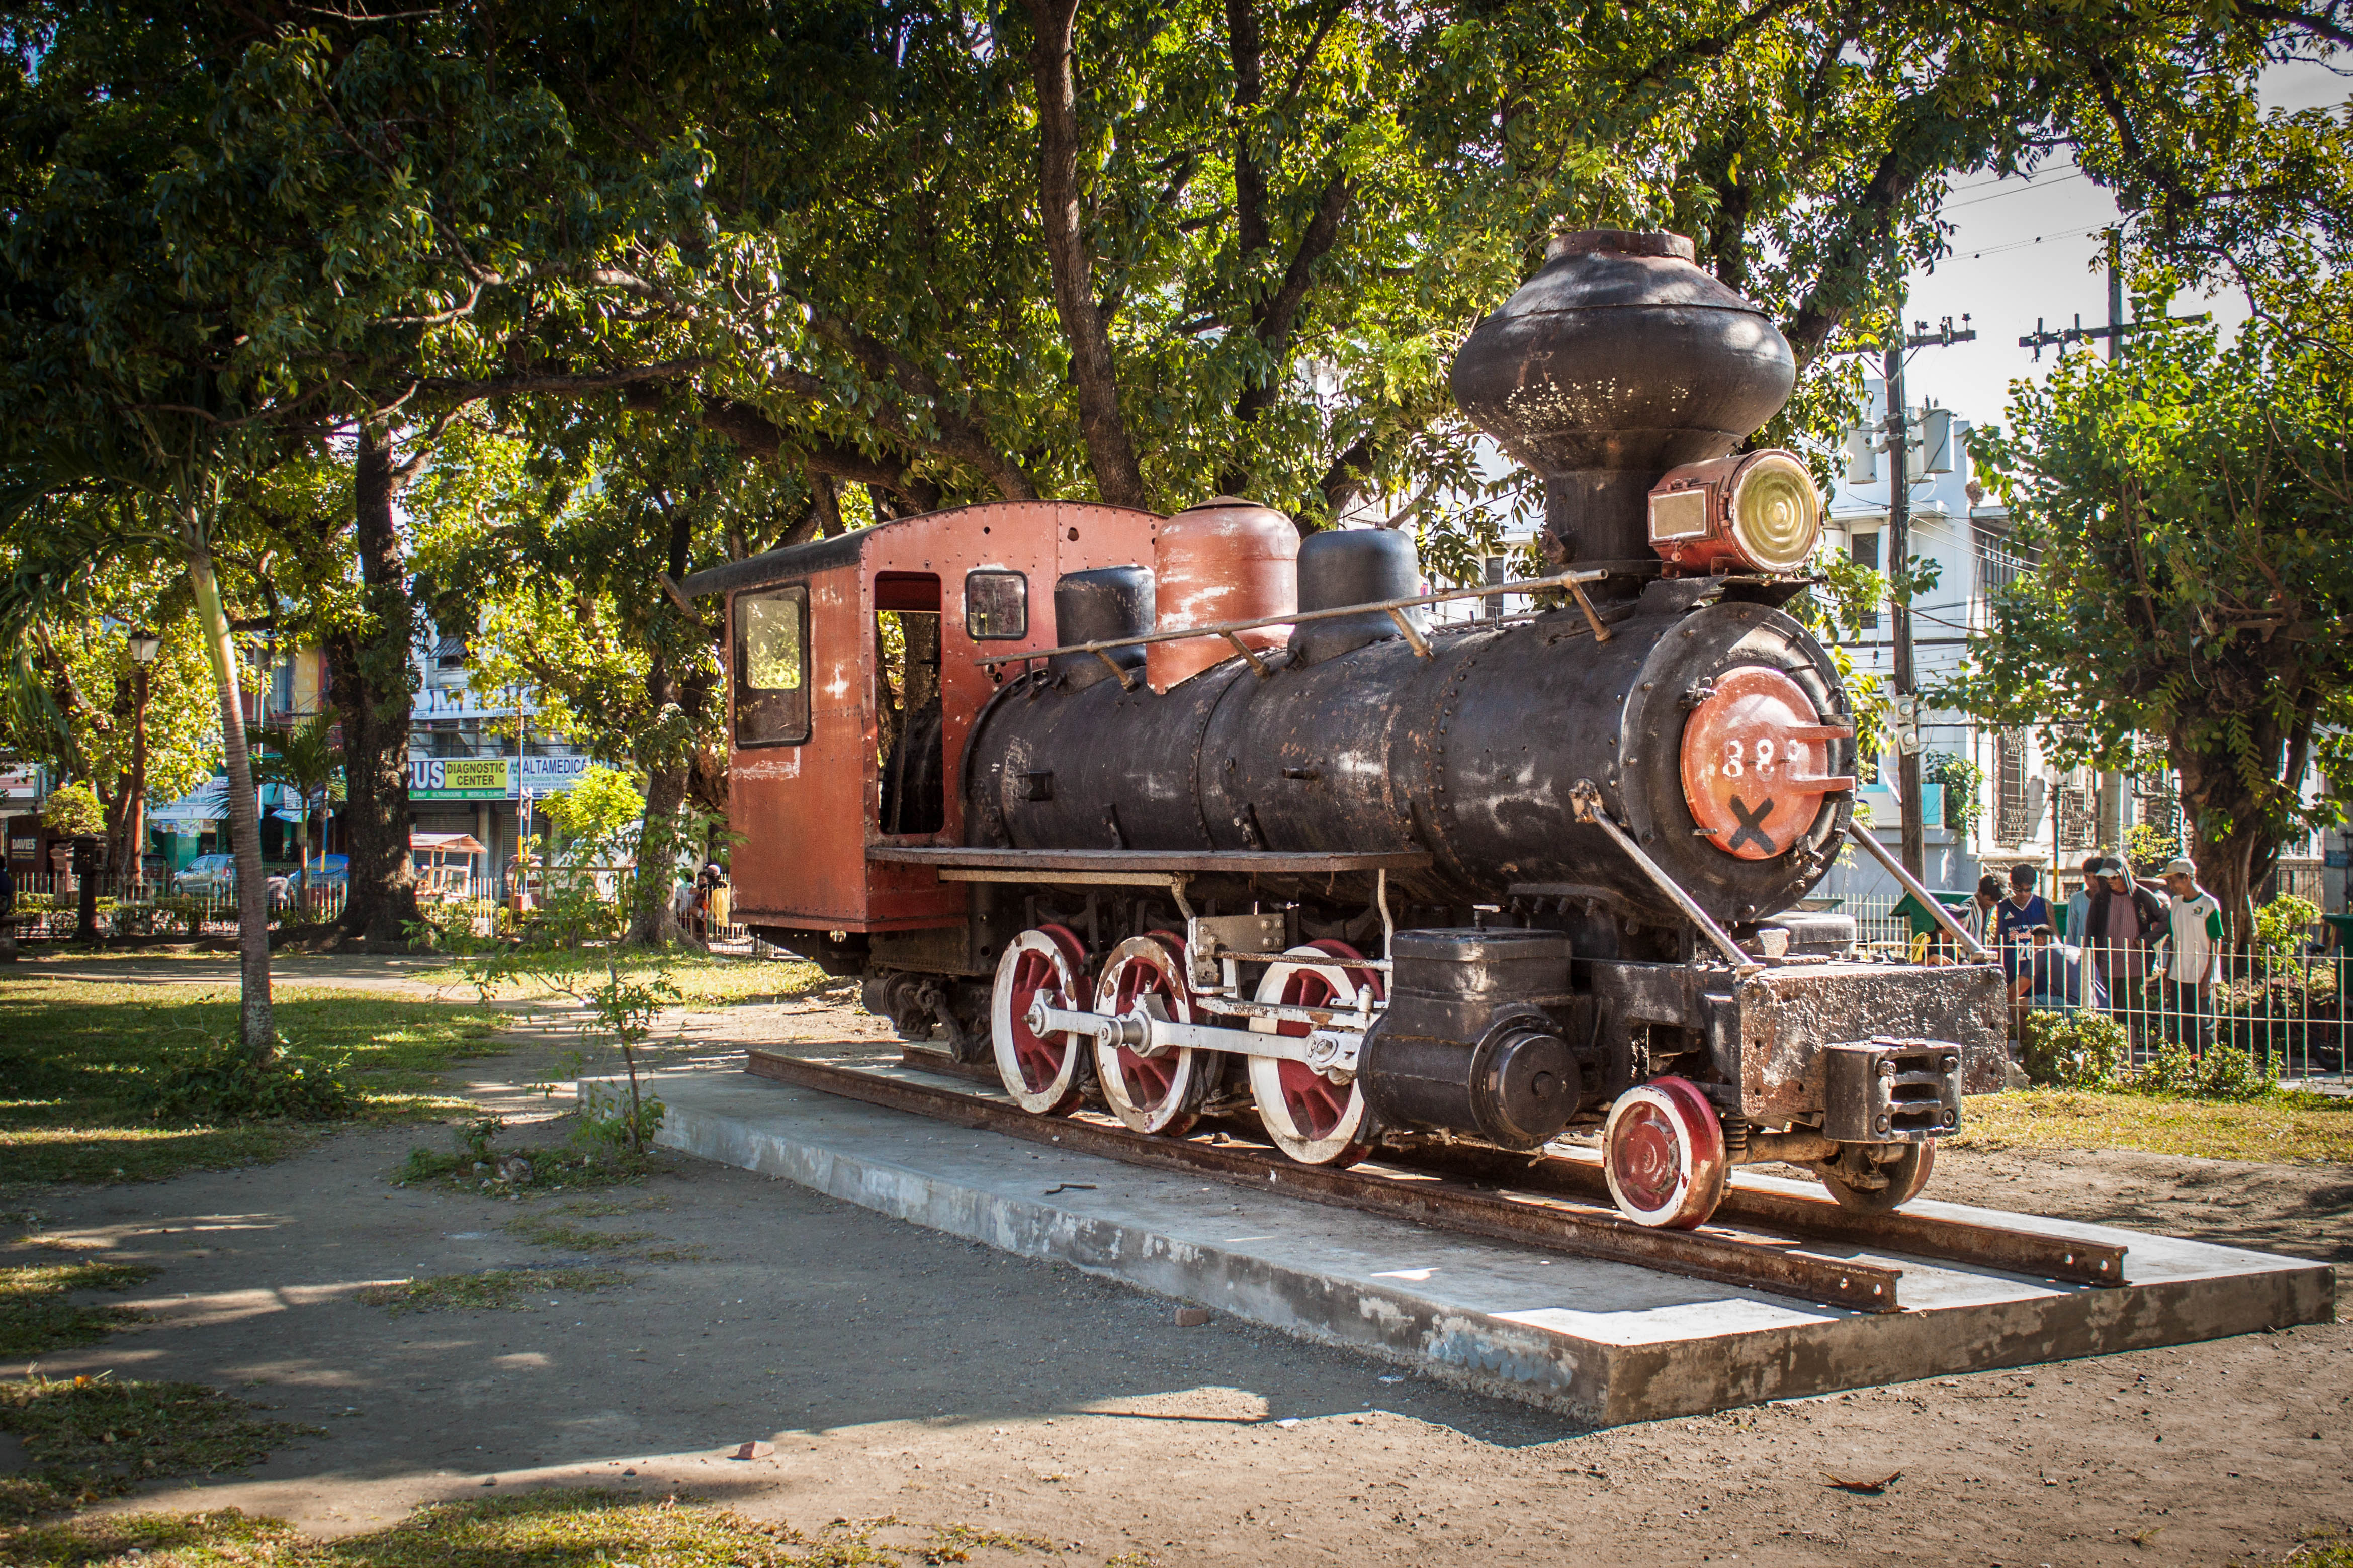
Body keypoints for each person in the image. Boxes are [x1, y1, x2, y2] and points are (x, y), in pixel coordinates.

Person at [2085, 854, 2165, 1041]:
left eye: (2115, 877)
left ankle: (2128, 1057)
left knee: (2131, 1015)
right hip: (2105, 966)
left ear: (2125, 875)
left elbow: (2165, 920)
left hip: (2134, 966)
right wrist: (2090, 961)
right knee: (2105, 1014)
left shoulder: (2143, 896)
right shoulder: (2100, 899)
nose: (2111, 882)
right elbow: (2090, 931)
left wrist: (2146, 939)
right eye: (2107, 878)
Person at [2157, 857, 2224, 1052]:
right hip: (2179, 974)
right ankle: (2186, 1065)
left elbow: (2215, 942)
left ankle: (2206, 1065)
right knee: (2181, 1023)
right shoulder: (2176, 903)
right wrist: (2169, 972)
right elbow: (2174, 938)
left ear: (2186, 878)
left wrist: (2207, 979)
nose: (2171, 885)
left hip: (2202, 974)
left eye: (2173, 880)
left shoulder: (2209, 904)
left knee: (2204, 1025)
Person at [1993, 864, 2051, 993]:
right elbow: (1998, 940)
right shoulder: (2003, 908)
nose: (2023, 894)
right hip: (2012, 973)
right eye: (2018, 890)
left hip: (2039, 975)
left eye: (2028, 890)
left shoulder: (2044, 905)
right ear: (2012, 885)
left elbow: (2055, 940)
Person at [2064, 855, 2106, 1010]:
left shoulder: (2109, 899)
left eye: (2095, 877)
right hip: (2081, 958)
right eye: (2087, 877)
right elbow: (2071, 932)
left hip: (2105, 958)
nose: (2091, 882)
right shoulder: (2077, 899)